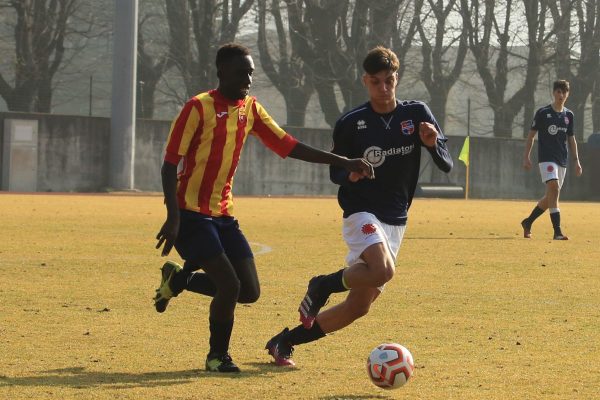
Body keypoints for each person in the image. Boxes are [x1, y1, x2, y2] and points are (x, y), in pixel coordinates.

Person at [153, 43, 374, 373]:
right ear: (222, 72)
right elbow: (170, 164)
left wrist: (343, 161)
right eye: (243, 72)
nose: (249, 79)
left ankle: (179, 280)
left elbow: (289, 145)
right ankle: (217, 356)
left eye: (252, 73)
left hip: (224, 216)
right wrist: (172, 216)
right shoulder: (197, 108)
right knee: (229, 286)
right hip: (190, 215)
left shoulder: (250, 109)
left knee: (249, 291)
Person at [265, 46, 453, 367]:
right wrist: (350, 173)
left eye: (389, 81)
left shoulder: (417, 113)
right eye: (376, 82)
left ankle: (285, 341)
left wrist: (433, 143)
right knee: (383, 271)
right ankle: (322, 284)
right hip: (361, 212)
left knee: (358, 308)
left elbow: (446, 163)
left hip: (396, 220)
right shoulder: (352, 123)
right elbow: (335, 172)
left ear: (397, 79)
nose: (383, 88)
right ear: (365, 81)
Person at [521, 79, 583, 240]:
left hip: (562, 159)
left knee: (551, 197)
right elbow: (531, 136)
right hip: (546, 159)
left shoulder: (569, 115)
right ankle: (557, 232)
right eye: (558, 92)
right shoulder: (543, 113)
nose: (561, 95)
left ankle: (527, 222)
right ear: (553, 93)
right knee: (554, 188)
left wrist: (576, 161)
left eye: (564, 92)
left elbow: (571, 139)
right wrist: (526, 156)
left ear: (567, 94)